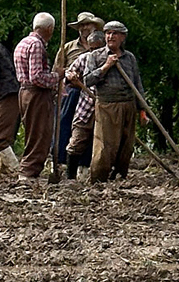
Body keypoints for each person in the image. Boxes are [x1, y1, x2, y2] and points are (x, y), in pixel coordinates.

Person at [79, 20, 142, 183]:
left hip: (128, 104)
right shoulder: (96, 56)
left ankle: (119, 176)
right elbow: (87, 80)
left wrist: (142, 110)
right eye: (108, 33)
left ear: (123, 37)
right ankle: (98, 178)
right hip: (107, 105)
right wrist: (106, 66)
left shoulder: (130, 58)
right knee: (105, 146)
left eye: (115, 33)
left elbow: (137, 84)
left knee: (125, 145)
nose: (110, 36)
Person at [14, 12, 61, 181]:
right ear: (49, 29)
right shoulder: (36, 45)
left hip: (25, 93)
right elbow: (37, 77)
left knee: (33, 132)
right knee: (40, 134)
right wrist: (57, 76)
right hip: (36, 94)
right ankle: (29, 172)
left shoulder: (23, 43)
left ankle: (29, 171)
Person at [55, 12, 105, 168]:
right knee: (65, 125)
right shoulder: (68, 47)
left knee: (93, 131)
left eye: (87, 24)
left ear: (94, 26)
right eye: (81, 25)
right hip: (73, 92)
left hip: (95, 94)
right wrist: (69, 74)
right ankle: (61, 161)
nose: (84, 28)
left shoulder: (104, 47)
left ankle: (87, 164)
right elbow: (58, 70)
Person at [0, 34, 21, 175]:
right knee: (4, 135)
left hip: (6, 92)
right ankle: (0, 170)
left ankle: (16, 169)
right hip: (8, 90)